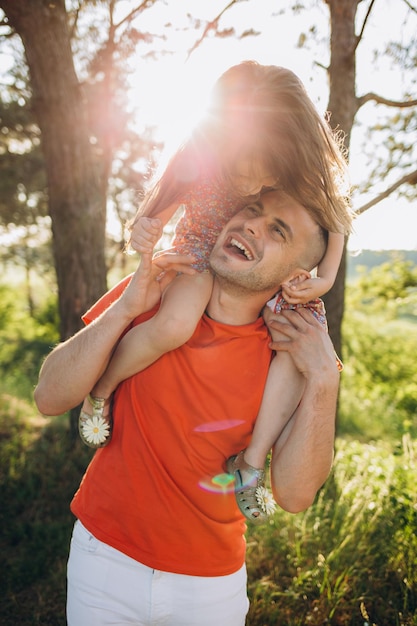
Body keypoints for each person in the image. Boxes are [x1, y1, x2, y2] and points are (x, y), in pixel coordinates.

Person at [34, 188, 341, 625]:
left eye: (278, 230)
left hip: (210, 589)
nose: (252, 224)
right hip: (104, 559)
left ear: (298, 275)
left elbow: (293, 496)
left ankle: (249, 463)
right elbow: (48, 397)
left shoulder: (294, 349)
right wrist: (125, 308)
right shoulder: (163, 284)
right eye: (251, 210)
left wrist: (325, 378)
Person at [77, 61, 352, 521]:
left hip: (276, 270)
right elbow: (150, 218)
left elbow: (337, 223)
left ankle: (251, 460)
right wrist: (144, 237)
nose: (245, 184)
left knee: (292, 349)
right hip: (202, 252)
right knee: (175, 323)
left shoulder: (308, 174)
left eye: (259, 174)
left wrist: (321, 279)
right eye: (237, 169)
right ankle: (102, 390)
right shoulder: (197, 154)